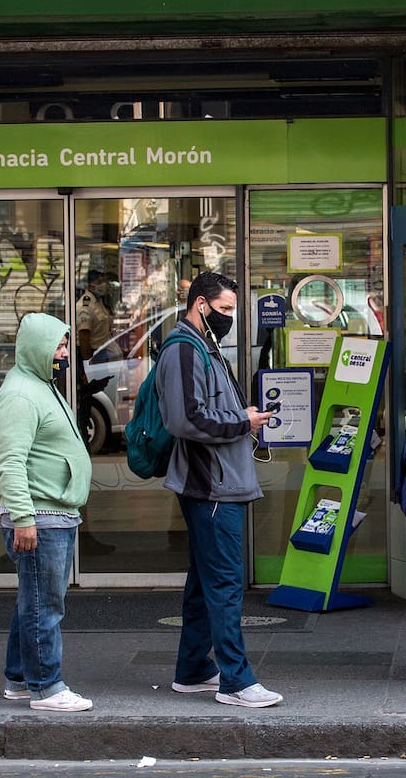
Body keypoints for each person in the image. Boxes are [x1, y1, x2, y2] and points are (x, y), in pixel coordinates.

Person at [156, 271, 282, 708]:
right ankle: (237, 681)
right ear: (201, 304)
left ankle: (193, 669)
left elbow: (202, 410)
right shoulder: (185, 348)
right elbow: (185, 419)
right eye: (225, 309)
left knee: (204, 581)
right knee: (225, 583)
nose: (230, 317)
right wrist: (242, 422)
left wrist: (242, 416)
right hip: (211, 485)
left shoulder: (202, 346)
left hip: (217, 480)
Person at [0, 313, 93, 712]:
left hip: (52, 514)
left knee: (33, 601)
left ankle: (19, 678)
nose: (65, 353)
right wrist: (23, 518)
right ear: (37, 347)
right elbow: (10, 462)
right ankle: (47, 687)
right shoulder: (20, 395)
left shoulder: (39, 385)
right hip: (40, 516)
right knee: (44, 606)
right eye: (59, 346)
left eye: (65, 345)